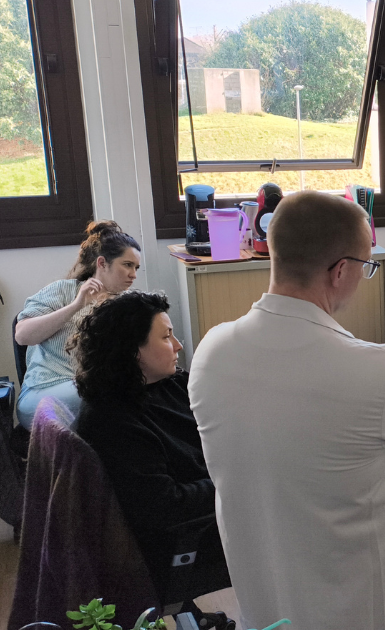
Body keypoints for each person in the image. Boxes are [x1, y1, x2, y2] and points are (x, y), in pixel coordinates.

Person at [189, 191, 385, 630]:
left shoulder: (211, 349)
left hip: (264, 582)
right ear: (341, 270)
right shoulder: (377, 368)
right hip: (360, 596)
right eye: (366, 268)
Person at [71, 291, 227, 594]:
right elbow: (165, 506)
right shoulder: (112, 420)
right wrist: (232, 482)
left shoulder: (168, 383)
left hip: (216, 509)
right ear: (132, 350)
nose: (178, 345)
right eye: (166, 337)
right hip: (188, 542)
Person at [14, 220, 141, 427]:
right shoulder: (64, 290)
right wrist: (76, 305)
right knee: (104, 401)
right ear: (102, 263)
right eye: (127, 265)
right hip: (45, 392)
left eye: (136, 267)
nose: (133, 275)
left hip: (99, 390)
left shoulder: (130, 306)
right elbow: (23, 336)